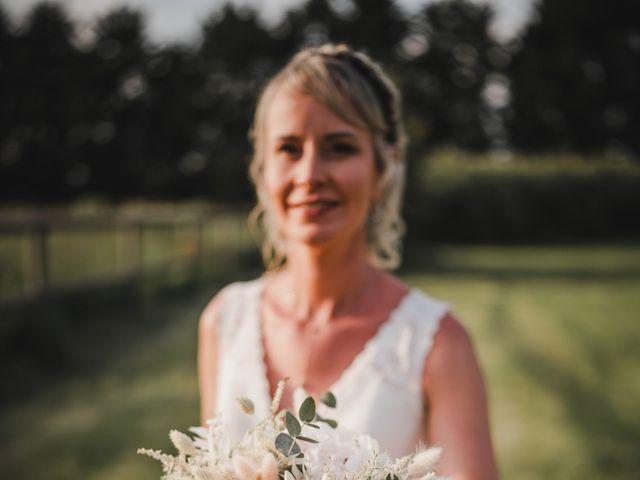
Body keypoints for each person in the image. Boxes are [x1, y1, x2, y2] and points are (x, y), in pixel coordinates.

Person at [198, 44, 499, 479]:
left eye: (339, 148)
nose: (309, 174)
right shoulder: (224, 320)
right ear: (262, 168)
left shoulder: (437, 345)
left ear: (384, 166)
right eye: (288, 148)